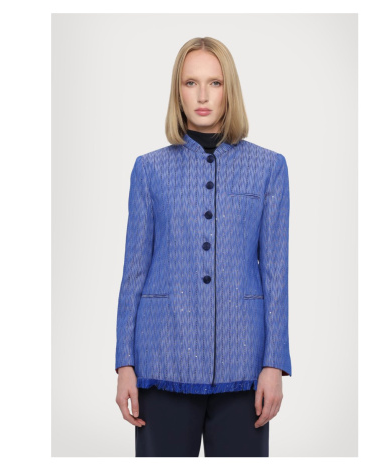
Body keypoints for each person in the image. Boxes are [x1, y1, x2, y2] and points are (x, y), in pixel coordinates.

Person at [115, 37, 292, 457]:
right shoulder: (150, 169)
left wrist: (274, 363)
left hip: (243, 362)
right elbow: (134, 271)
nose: (202, 96)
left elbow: (276, 273)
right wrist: (125, 363)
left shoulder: (269, 167)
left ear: (229, 89)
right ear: (177, 91)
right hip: (162, 356)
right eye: (190, 83)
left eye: (214, 83)